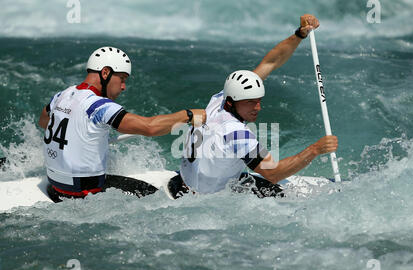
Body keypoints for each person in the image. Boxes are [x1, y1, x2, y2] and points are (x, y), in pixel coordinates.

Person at [176, 14, 338, 197]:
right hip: (207, 199)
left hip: (184, 182)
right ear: (232, 102)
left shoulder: (219, 101)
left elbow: (270, 63)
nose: (258, 107)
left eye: (259, 100)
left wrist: (299, 35)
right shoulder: (237, 134)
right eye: (251, 102)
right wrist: (315, 149)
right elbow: (273, 173)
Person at [38, 46, 206, 202]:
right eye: (122, 79)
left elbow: (44, 121)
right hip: (85, 194)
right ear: (105, 73)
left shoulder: (63, 95)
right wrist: (188, 115)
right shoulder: (99, 106)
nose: (124, 87)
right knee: (156, 198)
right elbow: (149, 127)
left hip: (56, 187)